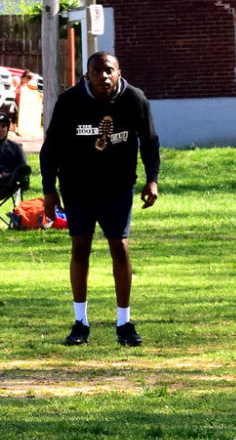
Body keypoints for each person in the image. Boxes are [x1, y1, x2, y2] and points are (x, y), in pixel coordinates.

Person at [41, 52, 160, 347]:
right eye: (98, 72)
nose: (104, 77)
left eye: (110, 71)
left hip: (118, 186)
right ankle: (80, 322)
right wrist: (48, 190)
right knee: (80, 247)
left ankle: (124, 323)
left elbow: (150, 140)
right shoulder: (70, 102)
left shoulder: (135, 99)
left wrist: (152, 179)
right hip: (77, 186)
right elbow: (50, 148)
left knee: (120, 248)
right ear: (87, 75)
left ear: (119, 72)